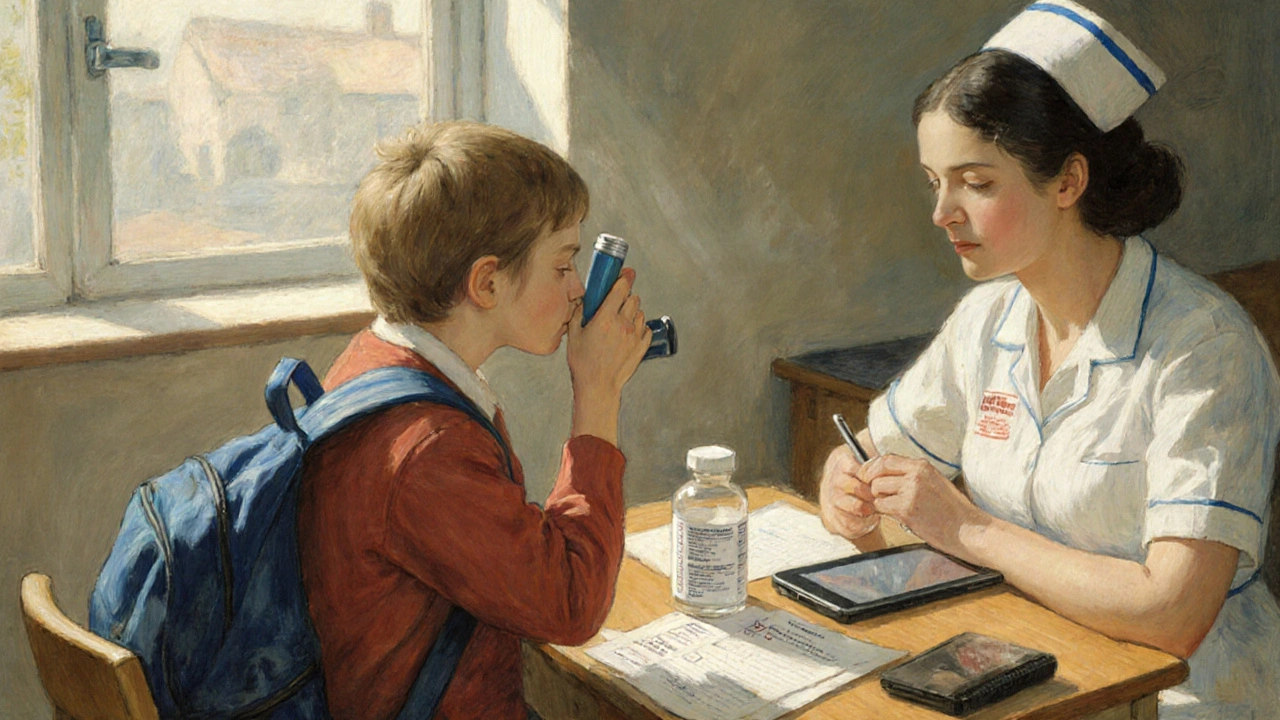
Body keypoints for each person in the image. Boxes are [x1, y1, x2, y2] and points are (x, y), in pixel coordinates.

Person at [817, 2, 1280, 717]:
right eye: (935, 182)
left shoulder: (1202, 344)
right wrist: (845, 486)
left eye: (976, 182)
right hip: (1033, 671)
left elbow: (1173, 613)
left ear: (1068, 182)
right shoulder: (986, 320)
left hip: (1189, 697)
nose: (942, 212)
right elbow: (873, 453)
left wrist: (968, 528)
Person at [296, 121, 651, 719]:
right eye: (564, 266)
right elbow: (571, 603)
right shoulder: (426, 449)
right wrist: (597, 395)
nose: (577, 290)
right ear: (486, 282)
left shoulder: (375, 364)